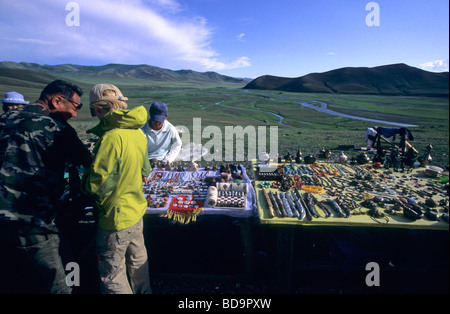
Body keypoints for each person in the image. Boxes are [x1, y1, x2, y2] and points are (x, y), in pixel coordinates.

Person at [0, 80, 93, 294]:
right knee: (64, 278)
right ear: (57, 101)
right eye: (75, 107)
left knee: (11, 277)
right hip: (35, 221)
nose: (75, 114)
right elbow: (89, 162)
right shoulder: (57, 127)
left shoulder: (5, 118)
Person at [81, 84, 152, 294]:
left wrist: (83, 183)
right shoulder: (137, 133)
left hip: (115, 218)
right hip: (136, 211)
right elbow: (144, 170)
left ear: (98, 109)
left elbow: (98, 184)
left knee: (111, 273)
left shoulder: (111, 138)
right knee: (138, 260)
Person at [142, 102, 182, 167]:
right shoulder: (142, 129)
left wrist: (167, 159)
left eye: (160, 121)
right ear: (150, 115)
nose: (157, 123)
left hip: (163, 161)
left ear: (166, 117)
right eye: (154, 120)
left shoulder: (170, 128)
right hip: (145, 161)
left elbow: (177, 144)